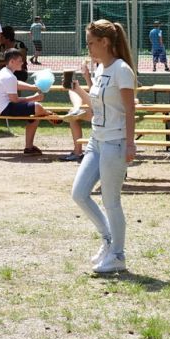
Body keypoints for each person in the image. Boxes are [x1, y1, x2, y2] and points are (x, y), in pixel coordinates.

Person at [69, 19, 137, 274]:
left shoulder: (122, 70)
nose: (88, 47)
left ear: (105, 42)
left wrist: (130, 144)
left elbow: (130, 110)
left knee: (111, 201)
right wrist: (79, 89)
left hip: (115, 142)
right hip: (96, 141)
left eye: (90, 43)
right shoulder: (99, 69)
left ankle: (118, 255)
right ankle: (108, 239)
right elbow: (96, 105)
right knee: (79, 193)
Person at [0, 49, 61, 155]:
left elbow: (16, 83)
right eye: (20, 61)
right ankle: (48, 114)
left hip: (1, 107)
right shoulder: (9, 77)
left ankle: (29, 148)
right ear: (12, 61)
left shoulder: (5, 72)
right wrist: (34, 98)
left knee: (35, 115)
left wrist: (33, 87)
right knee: (37, 106)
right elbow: (15, 100)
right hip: (5, 108)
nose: (22, 63)